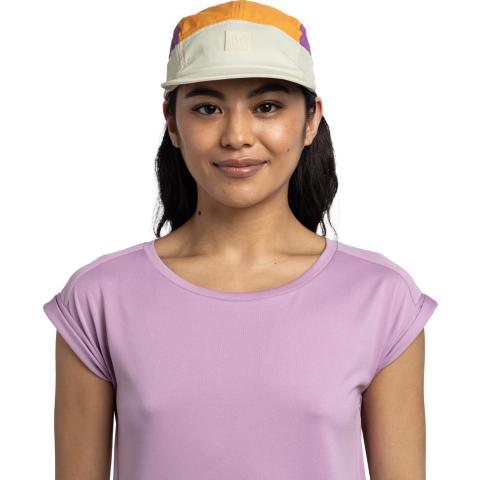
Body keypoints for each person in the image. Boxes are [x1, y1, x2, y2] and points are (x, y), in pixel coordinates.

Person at [42, 1, 439, 479]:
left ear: (311, 120)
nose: (236, 135)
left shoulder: (380, 298)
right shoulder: (99, 299)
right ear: (173, 123)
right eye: (207, 108)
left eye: (266, 106)